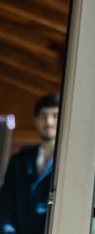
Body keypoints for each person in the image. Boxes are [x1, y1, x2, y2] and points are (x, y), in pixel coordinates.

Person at [0, 94, 59, 234]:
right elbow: (5, 204)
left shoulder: (69, 162)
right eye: (43, 116)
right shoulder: (19, 160)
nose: (49, 122)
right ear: (36, 120)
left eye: (55, 116)